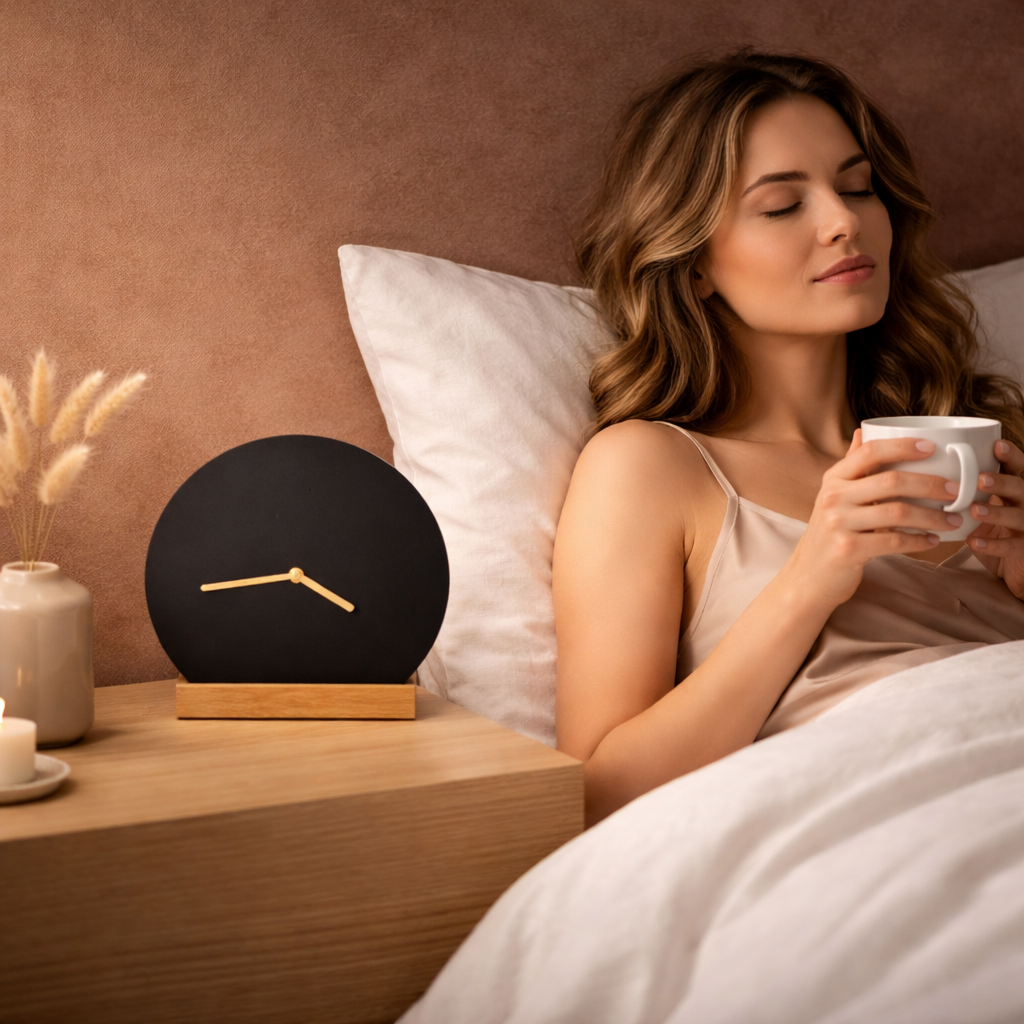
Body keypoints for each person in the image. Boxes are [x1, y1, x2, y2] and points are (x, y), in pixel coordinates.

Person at [554, 51, 1024, 825]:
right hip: (889, 820)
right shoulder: (650, 467)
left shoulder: (982, 436)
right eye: (781, 206)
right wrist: (811, 577)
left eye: (856, 186)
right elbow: (599, 796)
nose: (844, 222)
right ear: (696, 262)